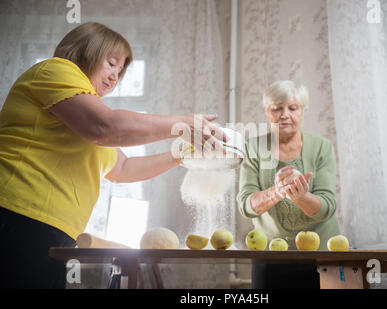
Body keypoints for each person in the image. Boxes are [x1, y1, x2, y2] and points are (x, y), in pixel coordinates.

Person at [0, 22, 226, 288]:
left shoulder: (81, 110)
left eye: (120, 71)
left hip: (53, 229)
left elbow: (124, 168)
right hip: (16, 214)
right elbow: (104, 127)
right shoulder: (55, 70)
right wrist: (183, 125)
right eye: (110, 63)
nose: (114, 77)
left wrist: (181, 155)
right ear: (85, 51)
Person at [236, 80, 340, 289]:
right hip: (271, 256)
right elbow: (246, 205)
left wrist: (301, 197)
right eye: (277, 108)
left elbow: (328, 206)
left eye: (292, 108)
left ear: (302, 111)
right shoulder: (253, 147)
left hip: (322, 256)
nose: (285, 114)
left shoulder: (322, 147)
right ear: (267, 112)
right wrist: (277, 192)